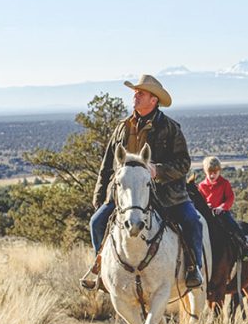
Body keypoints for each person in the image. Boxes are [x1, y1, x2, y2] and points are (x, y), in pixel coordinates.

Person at [81, 74, 205, 289]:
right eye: (135, 93)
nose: (135, 97)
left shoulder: (170, 128)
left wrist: (159, 171)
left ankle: (194, 269)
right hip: (125, 195)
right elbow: (107, 164)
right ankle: (101, 269)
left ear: (153, 100)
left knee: (193, 221)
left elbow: (184, 163)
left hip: (166, 194)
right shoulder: (121, 127)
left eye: (140, 93)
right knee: (96, 223)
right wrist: (100, 196)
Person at [197, 156, 248, 258]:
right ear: (205, 171)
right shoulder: (202, 185)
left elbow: (230, 198)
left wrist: (222, 207)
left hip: (222, 213)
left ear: (219, 171)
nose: (212, 175)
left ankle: (244, 245)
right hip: (208, 214)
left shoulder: (224, 183)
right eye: (209, 172)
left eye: (215, 173)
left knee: (233, 226)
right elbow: (200, 202)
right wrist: (206, 206)